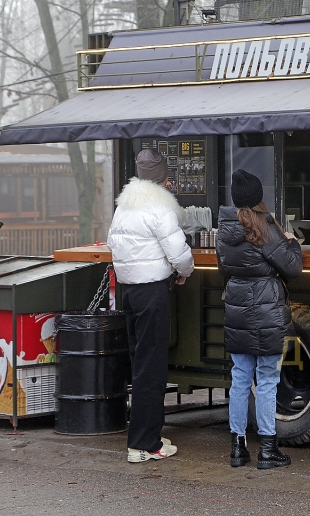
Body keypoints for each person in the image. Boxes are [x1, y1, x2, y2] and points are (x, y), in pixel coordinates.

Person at [107, 149, 194, 464]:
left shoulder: (124, 207)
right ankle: (146, 444)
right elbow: (179, 252)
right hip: (151, 292)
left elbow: (112, 244)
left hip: (128, 291)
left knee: (139, 364)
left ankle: (141, 438)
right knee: (152, 368)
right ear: (164, 180)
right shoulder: (159, 208)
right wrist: (184, 272)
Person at [216, 170, 303, 469]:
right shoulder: (265, 227)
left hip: (237, 307)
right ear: (257, 198)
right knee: (266, 380)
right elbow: (291, 268)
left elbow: (223, 270)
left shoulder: (224, 230)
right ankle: (267, 449)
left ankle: (238, 449)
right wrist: (292, 243)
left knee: (240, 380)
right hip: (266, 309)